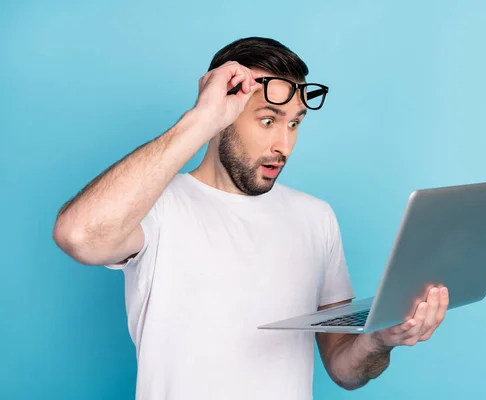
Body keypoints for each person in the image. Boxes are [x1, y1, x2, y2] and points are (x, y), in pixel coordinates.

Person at [53, 37, 449, 399]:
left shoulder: (316, 218)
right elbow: (78, 235)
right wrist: (201, 118)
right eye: (267, 120)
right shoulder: (155, 206)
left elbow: (344, 369)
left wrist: (380, 339)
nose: (284, 145)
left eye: (294, 123)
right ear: (221, 112)